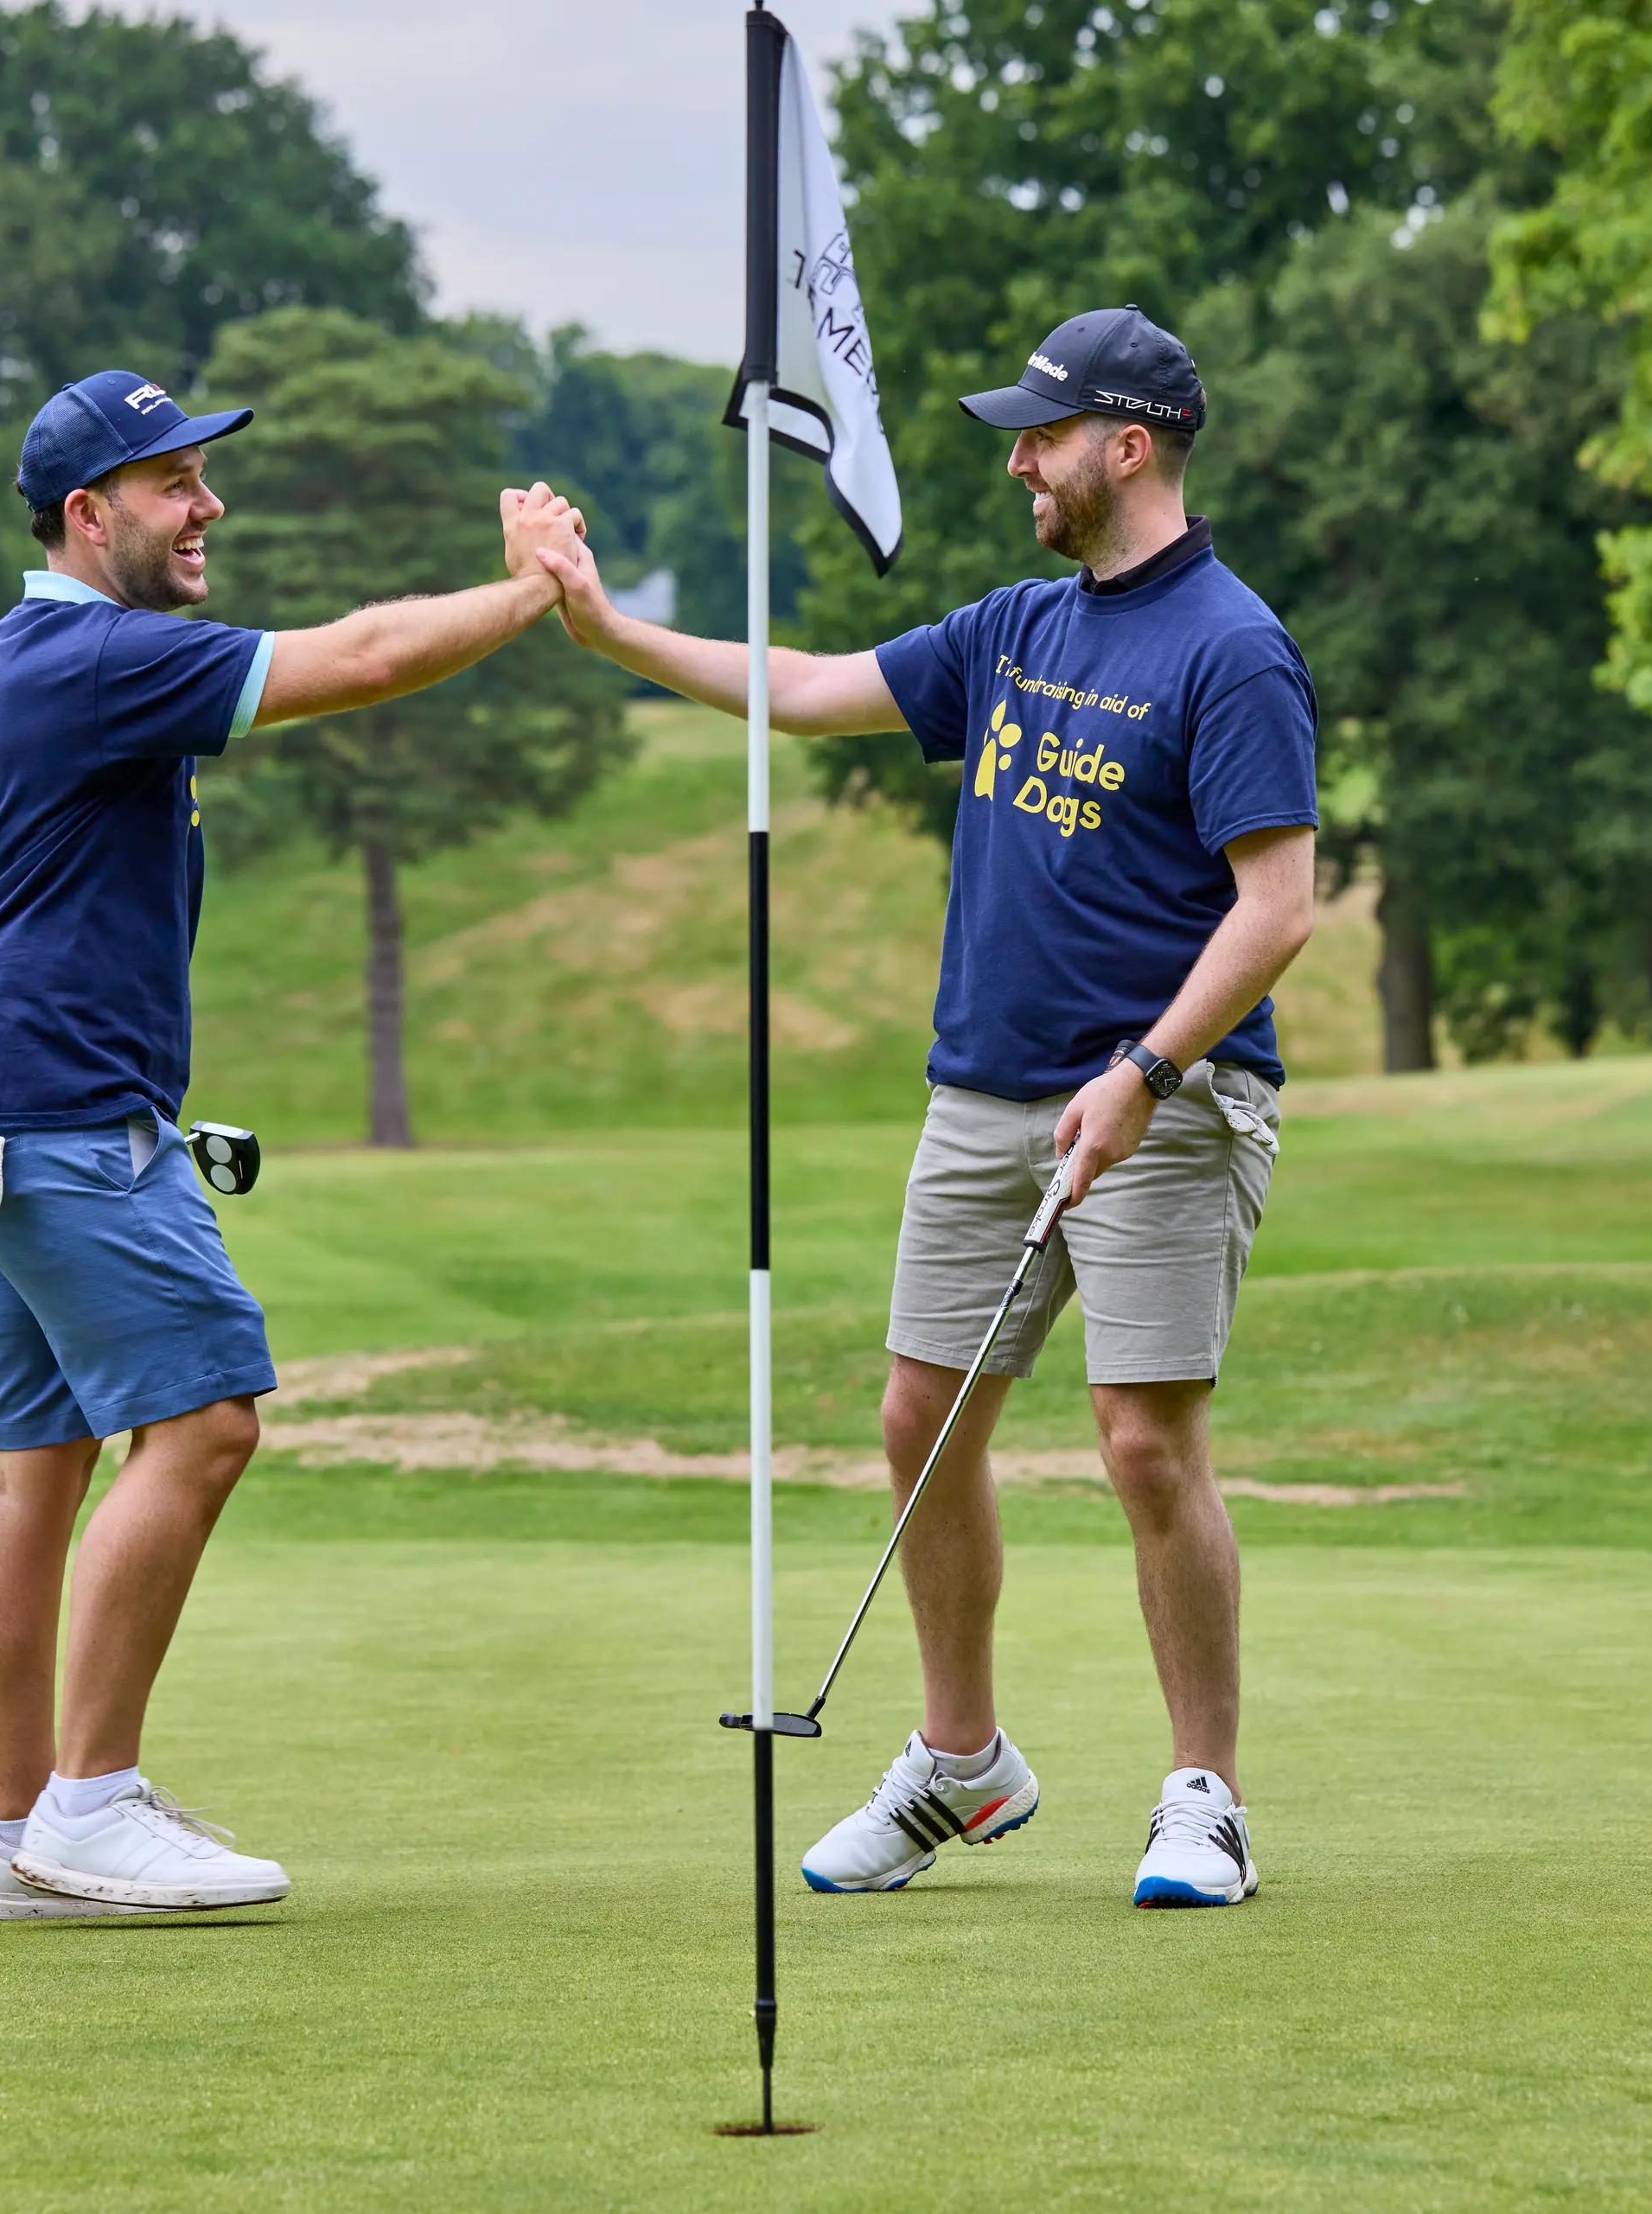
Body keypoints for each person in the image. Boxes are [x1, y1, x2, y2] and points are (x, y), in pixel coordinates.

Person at [535, 307, 1317, 1908]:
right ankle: (963, 1767)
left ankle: (1204, 1799)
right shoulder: (1019, 626)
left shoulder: (1234, 646)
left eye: (1040, 434)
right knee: (921, 1418)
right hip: (986, 1097)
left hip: (1169, 1097)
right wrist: (613, 636)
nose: (1017, 460)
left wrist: (1147, 1072)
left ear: (1131, 443)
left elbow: (1280, 905)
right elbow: (814, 687)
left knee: (1146, 1447)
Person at [0, 368, 585, 1920]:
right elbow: (353, 657)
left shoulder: (23, 653)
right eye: (173, 484)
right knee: (207, 1425)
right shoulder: (89, 650)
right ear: (91, 517)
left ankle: (13, 1838)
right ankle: (88, 1804)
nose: (208, 506)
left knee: (34, 1468)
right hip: (67, 1118)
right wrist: (529, 586)